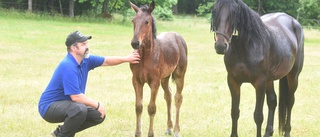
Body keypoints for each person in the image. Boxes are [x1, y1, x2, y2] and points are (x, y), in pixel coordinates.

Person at [38, 30, 140, 137]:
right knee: (79, 110)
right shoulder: (68, 66)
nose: (87, 46)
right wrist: (97, 104)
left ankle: (61, 132)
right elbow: (76, 97)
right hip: (49, 108)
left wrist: (126, 59)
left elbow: (106, 61)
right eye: (83, 44)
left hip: (68, 105)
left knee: (98, 115)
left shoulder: (85, 60)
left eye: (87, 43)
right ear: (73, 48)